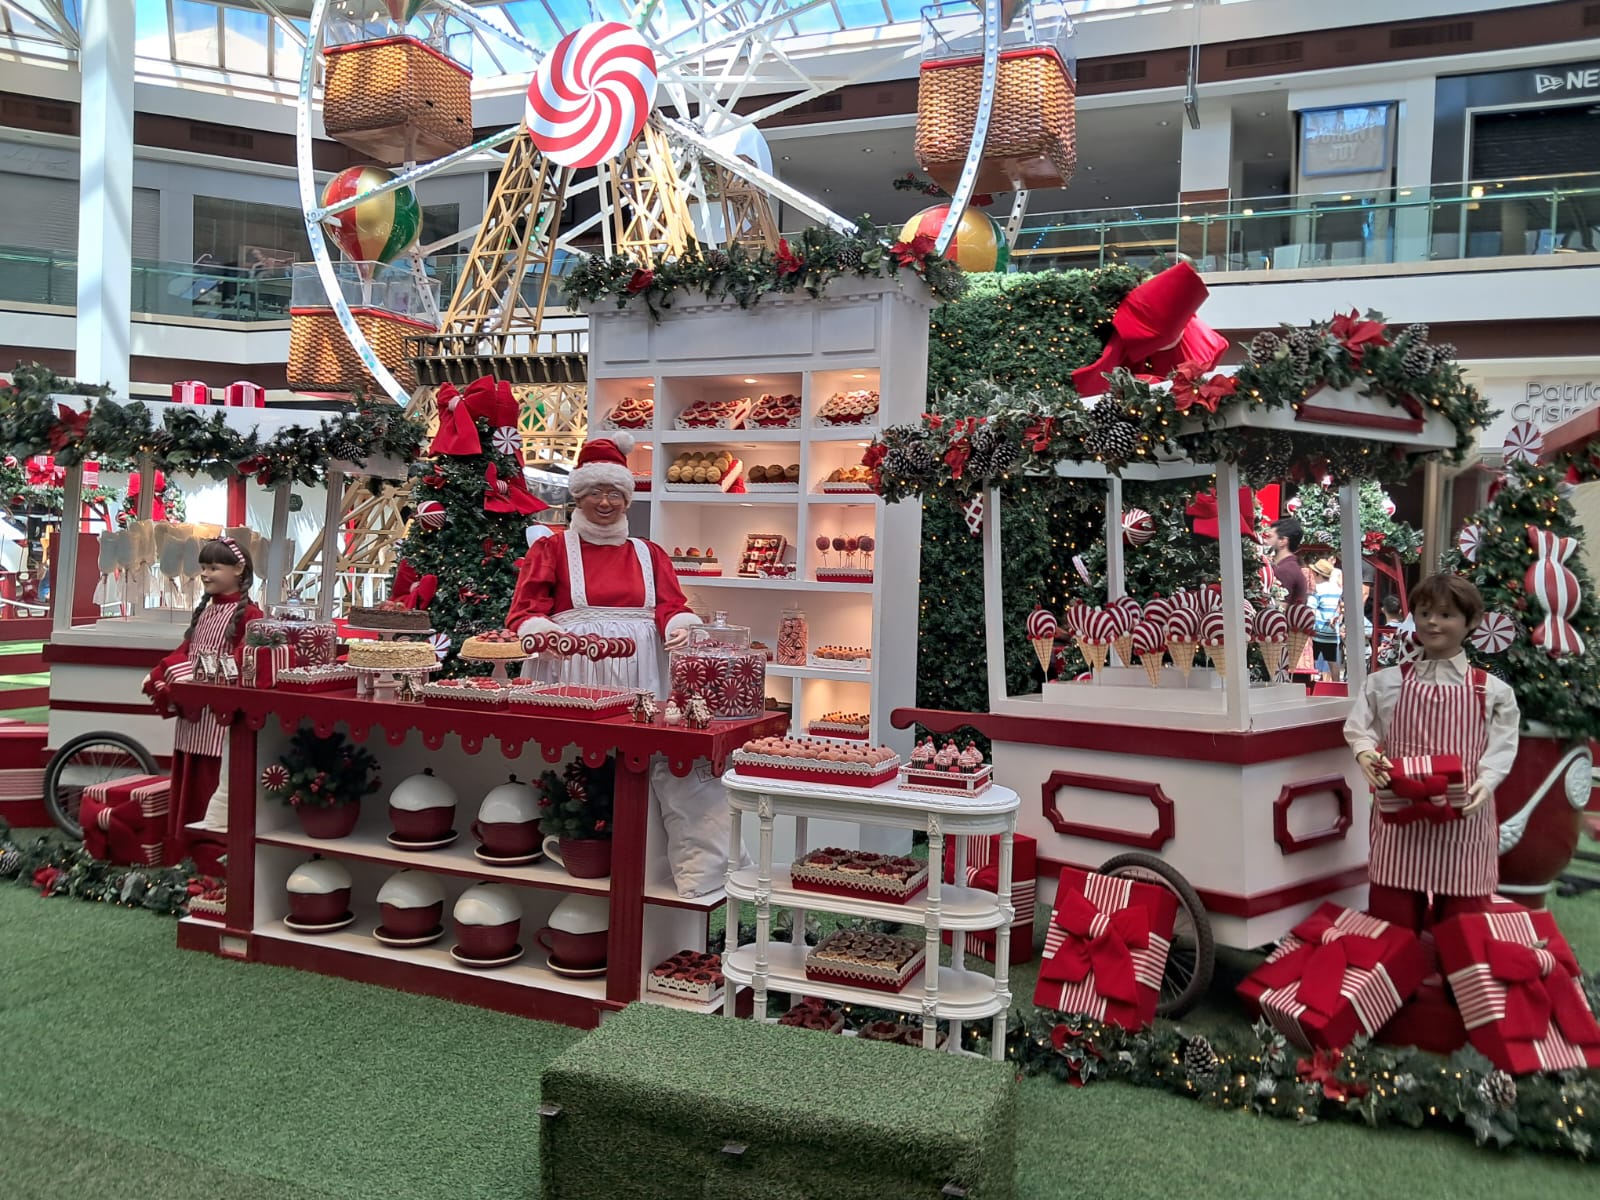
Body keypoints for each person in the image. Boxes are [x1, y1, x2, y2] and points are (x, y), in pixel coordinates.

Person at [506, 434, 737, 898]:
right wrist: (539, 630)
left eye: (615, 493)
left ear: (628, 498)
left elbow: (672, 605)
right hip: (574, 670)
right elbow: (523, 610)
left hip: (642, 672)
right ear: (579, 495)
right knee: (578, 754)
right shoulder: (551, 550)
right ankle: (569, 834)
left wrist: (681, 625)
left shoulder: (649, 554)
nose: (605, 502)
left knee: (640, 759)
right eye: (595, 493)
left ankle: (641, 853)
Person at [1344, 573, 1520, 931]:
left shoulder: (1494, 692)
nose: (1432, 623)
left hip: (1464, 822)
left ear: (1470, 622)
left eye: (1445, 614)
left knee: (1462, 931)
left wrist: (1485, 784)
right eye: (1425, 613)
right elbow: (1359, 728)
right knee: (1392, 926)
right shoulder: (1385, 682)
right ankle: (1395, 987)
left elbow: (1502, 750)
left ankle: (1455, 987)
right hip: (1399, 821)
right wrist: (1365, 754)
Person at [142, 536, 263, 861]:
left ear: (239, 569)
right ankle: (183, 847)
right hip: (192, 714)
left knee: (214, 780)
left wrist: (188, 675)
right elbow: (186, 650)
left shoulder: (250, 615)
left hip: (218, 716)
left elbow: (243, 659)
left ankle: (211, 852)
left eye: (214, 567)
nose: (206, 574)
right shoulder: (207, 612)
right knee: (189, 775)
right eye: (204, 568)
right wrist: (161, 672)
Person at [1307, 558, 1342, 677]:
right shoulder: (1338, 590)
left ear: (1317, 574)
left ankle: (1312, 686)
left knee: (1312, 661)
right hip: (1332, 633)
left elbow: (1311, 610)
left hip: (1316, 632)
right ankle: (1338, 686)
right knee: (1333, 662)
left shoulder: (1317, 590)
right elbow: (1340, 607)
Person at [1266, 517, 1308, 608]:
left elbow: (1280, 607)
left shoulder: (1284, 569)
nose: (1265, 541)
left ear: (1283, 541)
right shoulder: (1290, 565)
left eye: (1270, 537)